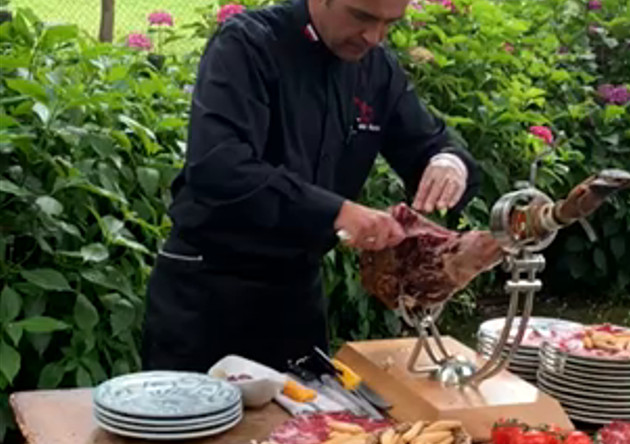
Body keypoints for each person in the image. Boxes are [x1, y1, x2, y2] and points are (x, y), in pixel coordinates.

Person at [140, 0, 480, 374]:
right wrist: (336, 211)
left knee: (309, 426)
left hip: (297, 296)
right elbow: (219, 166)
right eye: (362, 17)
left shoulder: (377, 70)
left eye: (389, 24)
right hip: (208, 293)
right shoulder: (247, 46)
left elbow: (429, 144)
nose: (373, 37)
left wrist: (449, 163)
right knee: (198, 427)